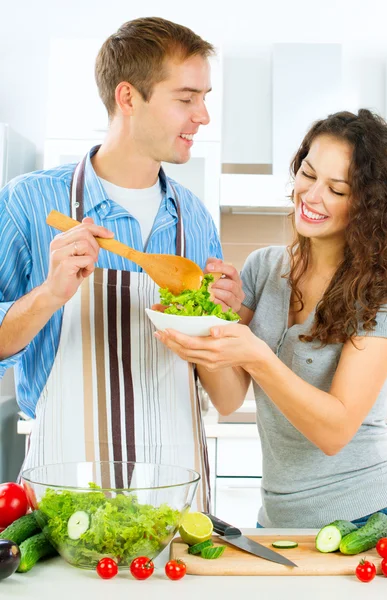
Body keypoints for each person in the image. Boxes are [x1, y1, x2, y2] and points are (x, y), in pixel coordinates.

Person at [0, 17, 243, 510]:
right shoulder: (29, 201)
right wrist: (50, 294)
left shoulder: (193, 218)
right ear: (128, 98)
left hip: (175, 496)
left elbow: (229, 399)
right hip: (67, 491)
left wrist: (221, 320)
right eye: (186, 98)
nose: (203, 116)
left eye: (204, 97)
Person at [156, 109, 387, 528]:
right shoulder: (264, 268)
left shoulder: (384, 293)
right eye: (308, 173)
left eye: (337, 189)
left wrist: (257, 355)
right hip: (278, 520)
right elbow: (227, 399)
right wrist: (210, 321)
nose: (312, 195)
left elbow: (334, 432)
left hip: (363, 520)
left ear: (368, 207)